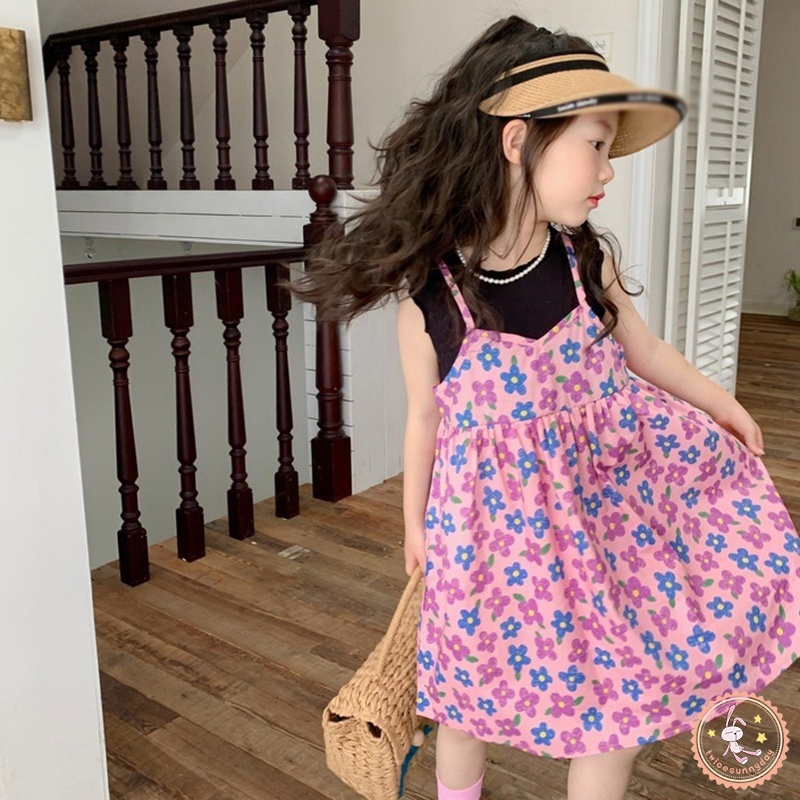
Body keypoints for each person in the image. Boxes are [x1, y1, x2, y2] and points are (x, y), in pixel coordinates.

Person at [286, 16, 800, 800]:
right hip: (493, 541)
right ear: (518, 140)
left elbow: (645, 350)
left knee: (618, 696)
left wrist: (721, 402)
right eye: (594, 144)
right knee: (467, 701)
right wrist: (416, 525)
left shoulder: (582, 261)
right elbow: (426, 419)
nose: (608, 169)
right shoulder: (433, 301)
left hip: (605, 515)